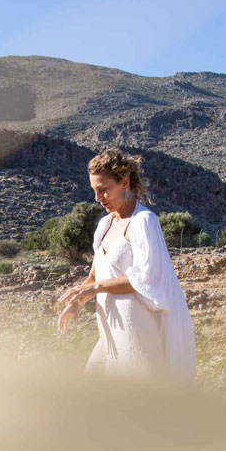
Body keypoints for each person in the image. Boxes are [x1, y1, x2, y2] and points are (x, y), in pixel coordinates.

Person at [56, 149, 197, 382]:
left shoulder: (143, 222)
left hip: (134, 325)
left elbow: (143, 279)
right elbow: (95, 275)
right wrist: (77, 301)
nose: (97, 198)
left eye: (103, 189)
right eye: (94, 190)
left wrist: (95, 289)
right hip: (109, 327)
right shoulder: (104, 224)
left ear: (124, 182)